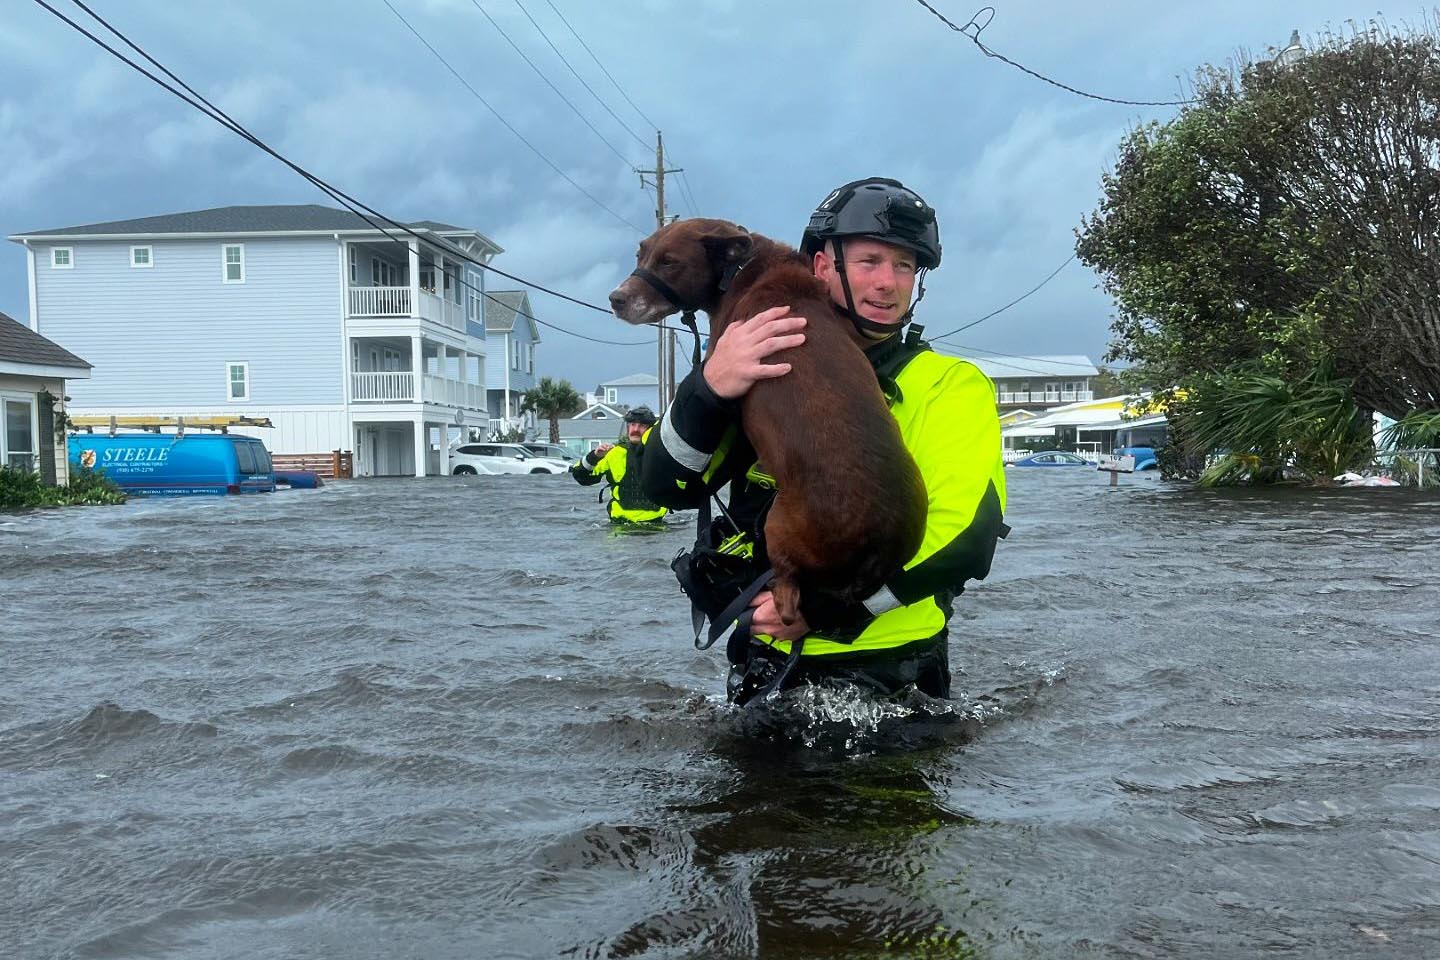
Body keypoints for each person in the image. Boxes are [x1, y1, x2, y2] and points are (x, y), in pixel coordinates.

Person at [640, 177, 1008, 705]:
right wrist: (709, 388)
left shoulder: (948, 382)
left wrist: (829, 609)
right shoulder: (754, 361)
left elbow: (964, 540)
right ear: (820, 266)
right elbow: (666, 487)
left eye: (904, 266)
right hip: (762, 662)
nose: (888, 282)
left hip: (891, 673)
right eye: (869, 261)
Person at [570, 406, 669, 525]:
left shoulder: (662, 454)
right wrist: (594, 456)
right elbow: (581, 477)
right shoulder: (614, 453)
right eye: (632, 424)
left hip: (656, 526)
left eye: (642, 426)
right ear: (628, 427)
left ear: (650, 429)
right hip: (619, 527)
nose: (636, 429)